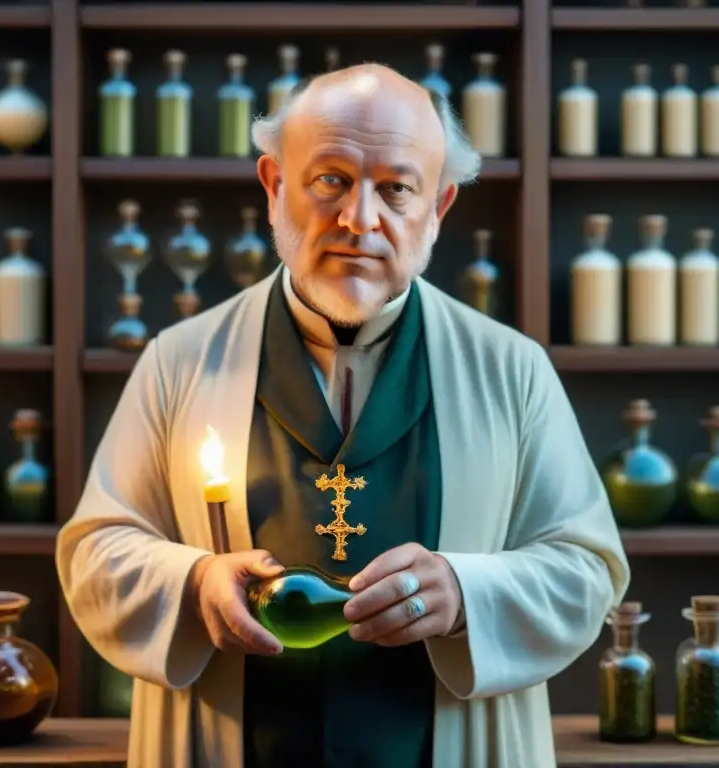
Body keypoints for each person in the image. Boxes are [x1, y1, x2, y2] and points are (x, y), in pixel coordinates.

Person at [56, 63, 629, 768]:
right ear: (273, 187)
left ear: (439, 207)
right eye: (330, 179)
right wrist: (193, 584)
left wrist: (466, 592)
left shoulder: (511, 369)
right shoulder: (179, 360)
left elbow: (586, 569)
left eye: (397, 188)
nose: (361, 219)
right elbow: (95, 553)